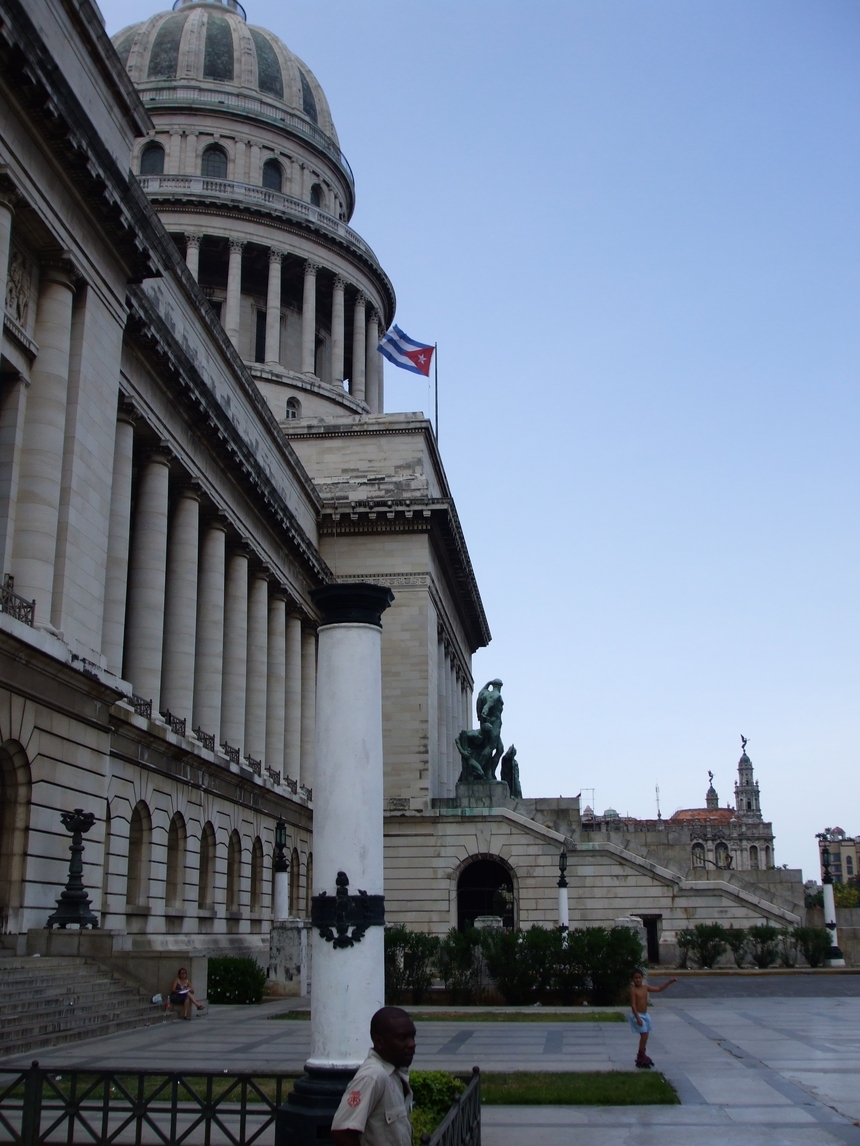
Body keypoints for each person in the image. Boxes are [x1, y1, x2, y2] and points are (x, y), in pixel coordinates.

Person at [331, 1006, 417, 1146]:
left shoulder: (394, 1072)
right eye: (403, 1038)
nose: (412, 1044)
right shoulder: (373, 1076)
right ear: (379, 1041)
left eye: (412, 1036)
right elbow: (342, 1131)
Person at [629, 969, 677, 1068]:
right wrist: (637, 1018)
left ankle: (642, 1054)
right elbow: (633, 1005)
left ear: (642, 978)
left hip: (645, 1015)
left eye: (639, 977)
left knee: (646, 1035)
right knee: (644, 1035)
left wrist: (669, 982)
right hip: (637, 1015)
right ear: (632, 980)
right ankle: (640, 1055)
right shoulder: (633, 990)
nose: (638, 980)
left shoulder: (645, 988)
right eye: (635, 978)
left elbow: (659, 989)